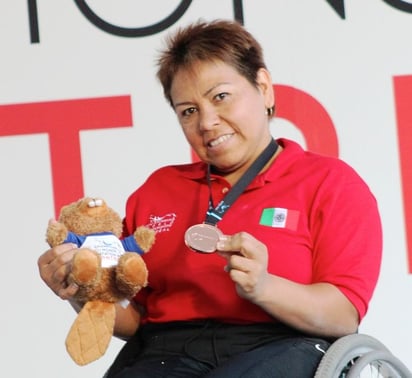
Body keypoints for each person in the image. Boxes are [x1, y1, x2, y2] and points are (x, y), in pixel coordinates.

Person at [38, 19, 382, 377]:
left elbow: (343, 315)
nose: (207, 122)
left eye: (220, 97)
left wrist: (264, 287)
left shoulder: (330, 183)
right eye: (188, 111)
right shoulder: (157, 190)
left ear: (263, 88)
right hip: (166, 352)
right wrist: (80, 287)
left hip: (281, 346)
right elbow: (135, 320)